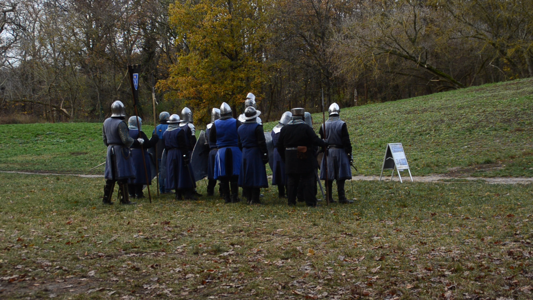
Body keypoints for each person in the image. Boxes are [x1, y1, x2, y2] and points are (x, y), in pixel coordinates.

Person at [277, 108, 327, 207]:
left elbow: (279, 145)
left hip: (290, 157)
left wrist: (285, 158)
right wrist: (325, 143)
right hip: (304, 155)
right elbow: (315, 140)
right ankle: (310, 202)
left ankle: (291, 201)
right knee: (307, 179)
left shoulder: (285, 128)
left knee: (292, 180)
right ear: (303, 116)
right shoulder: (305, 128)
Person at [102, 100, 143, 205]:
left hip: (110, 149)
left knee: (112, 175)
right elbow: (126, 139)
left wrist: (110, 145)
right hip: (120, 151)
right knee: (122, 174)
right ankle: (124, 199)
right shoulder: (121, 123)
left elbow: (104, 139)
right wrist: (137, 142)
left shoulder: (106, 122)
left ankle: (106, 198)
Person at [319, 103, 353, 204]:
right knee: (340, 176)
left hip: (328, 152)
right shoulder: (342, 124)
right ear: (338, 112)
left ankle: (329, 197)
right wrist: (349, 153)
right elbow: (346, 141)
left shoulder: (323, 125)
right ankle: (341, 197)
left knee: (328, 176)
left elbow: (321, 140)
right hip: (340, 152)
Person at [209, 102, 242, 204]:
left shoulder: (215, 124)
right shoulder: (236, 122)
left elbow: (212, 138)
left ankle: (226, 197)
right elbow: (241, 135)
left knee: (223, 175)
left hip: (222, 151)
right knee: (234, 175)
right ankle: (234, 197)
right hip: (235, 150)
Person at [238, 107, 269, 204]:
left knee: (247, 175)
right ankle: (255, 199)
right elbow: (261, 142)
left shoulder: (240, 128)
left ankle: (248, 198)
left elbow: (239, 143)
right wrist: (264, 153)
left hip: (245, 153)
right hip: (255, 152)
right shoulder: (257, 127)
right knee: (256, 175)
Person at [164, 114, 197, 200]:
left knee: (174, 173)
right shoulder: (180, 131)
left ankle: (178, 194)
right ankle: (187, 194)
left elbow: (166, 147)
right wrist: (185, 155)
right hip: (179, 153)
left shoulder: (166, 132)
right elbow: (183, 145)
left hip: (170, 154)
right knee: (183, 173)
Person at [127, 116, 159, 199]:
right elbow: (147, 144)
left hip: (128, 154)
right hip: (139, 155)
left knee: (130, 173)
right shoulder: (139, 133)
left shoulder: (126, 132)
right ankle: (138, 193)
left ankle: (131, 192)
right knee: (139, 173)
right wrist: (155, 138)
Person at [271, 111, 292, 198]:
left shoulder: (274, 128)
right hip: (283, 151)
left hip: (275, 152)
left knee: (278, 171)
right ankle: (287, 191)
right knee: (285, 171)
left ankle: (281, 193)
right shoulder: (285, 129)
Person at [205, 108, 221, 196]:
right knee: (221, 172)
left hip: (211, 152)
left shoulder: (208, 127)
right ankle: (222, 190)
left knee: (212, 173)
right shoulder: (220, 126)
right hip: (219, 151)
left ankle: (210, 191)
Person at [153, 111, 169, 193]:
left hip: (158, 153)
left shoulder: (156, 128)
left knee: (160, 171)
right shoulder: (169, 127)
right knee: (166, 170)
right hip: (166, 152)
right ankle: (166, 188)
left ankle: (162, 189)